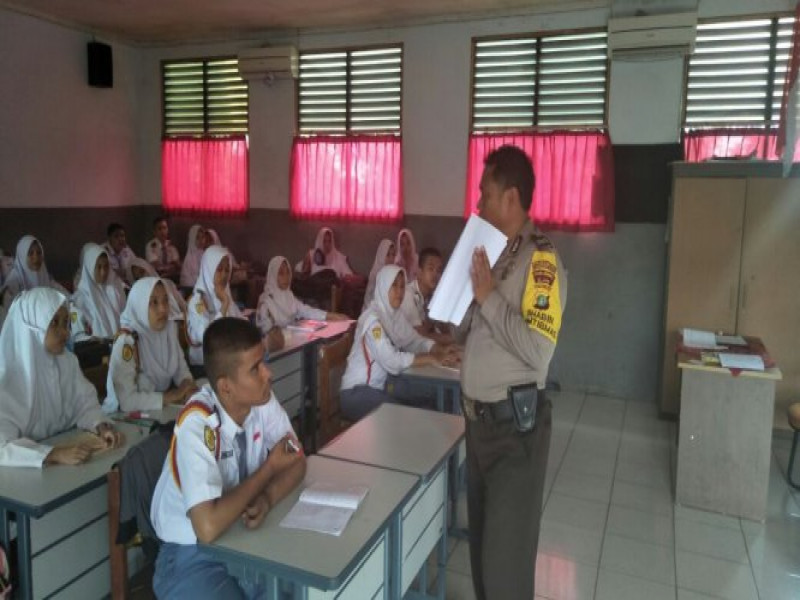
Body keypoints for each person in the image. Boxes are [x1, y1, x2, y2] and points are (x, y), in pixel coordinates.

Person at [460, 145, 567, 600]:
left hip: (514, 434)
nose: (478, 203)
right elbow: (478, 329)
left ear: (510, 198)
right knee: (483, 561)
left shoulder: (539, 261)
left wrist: (488, 297)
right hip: (479, 428)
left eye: (485, 194)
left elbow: (538, 353)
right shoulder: (498, 255)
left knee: (505, 570)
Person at [150, 317, 306, 599]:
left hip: (240, 536)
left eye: (264, 361)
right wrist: (269, 469)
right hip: (189, 551)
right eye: (255, 369)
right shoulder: (198, 423)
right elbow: (207, 528)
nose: (268, 373)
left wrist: (267, 498)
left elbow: (297, 458)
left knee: (299, 591)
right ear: (225, 388)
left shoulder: (261, 399)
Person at [0, 288, 123, 467]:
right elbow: (3, 447)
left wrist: (101, 426)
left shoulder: (67, 361)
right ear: (33, 326)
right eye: (54, 323)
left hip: (68, 465)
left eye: (66, 323)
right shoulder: (7, 379)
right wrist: (54, 454)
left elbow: (85, 406)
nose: (65, 332)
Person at [340, 265, 453, 421]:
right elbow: (391, 360)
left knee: (428, 398)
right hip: (358, 392)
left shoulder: (394, 314)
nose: (399, 292)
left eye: (402, 286)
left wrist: (436, 349)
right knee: (405, 416)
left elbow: (413, 340)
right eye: (394, 286)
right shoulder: (373, 321)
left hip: (382, 385)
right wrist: (429, 358)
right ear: (383, 287)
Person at [104, 277, 197, 413]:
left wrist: (188, 389)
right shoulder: (127, 342)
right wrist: (170, 396)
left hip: (160, 411)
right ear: (139, 305)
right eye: (154, 302)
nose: (163, 309)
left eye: (165, 300)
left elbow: (181, 371)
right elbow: (126, 401)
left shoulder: (169, 330)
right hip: (126, 417)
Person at [256, 256, 347, 351]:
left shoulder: (288, 295)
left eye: (288, 272)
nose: (286, 278)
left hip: (293, 345)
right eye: (281, 273)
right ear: (273, 275)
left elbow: (305, 310)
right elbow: (268, 337)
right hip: (277, 351)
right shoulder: (265, 303)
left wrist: (331, 315)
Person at [186, 246, 243, 366]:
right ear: (208, 269)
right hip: (205, 362)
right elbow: (207, 335)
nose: (224, 275)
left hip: (227, 356)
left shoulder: (225, 294)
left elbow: (240, 322)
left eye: (227, 270)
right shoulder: (198, 301)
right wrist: (224, 306)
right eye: (219, 269)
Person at [1, 236, 67, 318]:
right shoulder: (12, 284)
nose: (36, 257)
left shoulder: (44, 275)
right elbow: (11, 314)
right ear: (22, 256)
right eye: (30, 253)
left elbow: (63, 295)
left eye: (39, 253)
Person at [399, 247, 453, 344]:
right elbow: (420, 336)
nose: (435, 274)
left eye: (439, 270)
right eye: (430, 269)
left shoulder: (432, 297)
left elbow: (444, 326)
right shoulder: (408, 294)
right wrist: (453, 339)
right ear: (419, 272)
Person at [73, 243, 126, 339]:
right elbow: (79, 335)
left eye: (106, 266)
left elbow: (126, 318)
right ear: (90, 267)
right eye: (98, 267)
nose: (103, 272)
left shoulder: (115, 291)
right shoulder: (79, 300)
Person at [362, 239, 396, 311]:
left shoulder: (393, 274)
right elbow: (369, 299)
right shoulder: (375, 274)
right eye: (388, 255)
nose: (391, 259)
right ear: (381, 255)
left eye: (393, 255)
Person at [180, 224, 207, 289]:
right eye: (197, 238)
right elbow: (186, 281)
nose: (201, 240)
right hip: (192, 289)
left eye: (203, 237)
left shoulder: (206, 255)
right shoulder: (188, 258)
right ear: (192, 239)